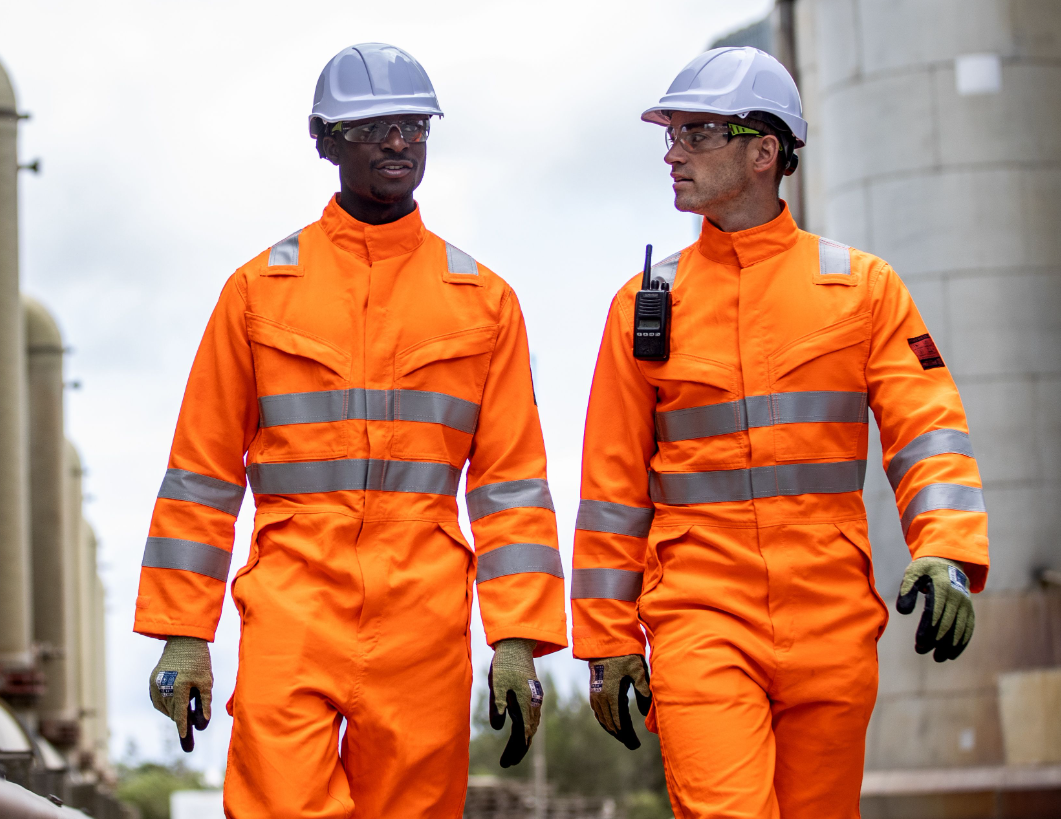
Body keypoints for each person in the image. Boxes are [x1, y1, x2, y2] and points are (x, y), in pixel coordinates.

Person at [133, 43, 567, 818]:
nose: (399, 142)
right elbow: (200, 472)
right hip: (293, 605)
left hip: (422, 617)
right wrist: (182, 631)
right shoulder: (260, 291)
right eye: (373, 128)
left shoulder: (482, 300)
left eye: (414, 125)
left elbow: (510, 484)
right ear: (325, 140)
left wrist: (519, 637)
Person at [571, 47, 988, 817]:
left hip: (831, 623)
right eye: (669, 135)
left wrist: (950, 553)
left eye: (696, 133)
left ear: (765, 152)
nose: (672, 153)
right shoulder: (644, 305)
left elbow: (928, 431)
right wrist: (605, 640)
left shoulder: (861, 290)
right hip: (700, 616)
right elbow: (610, 490)